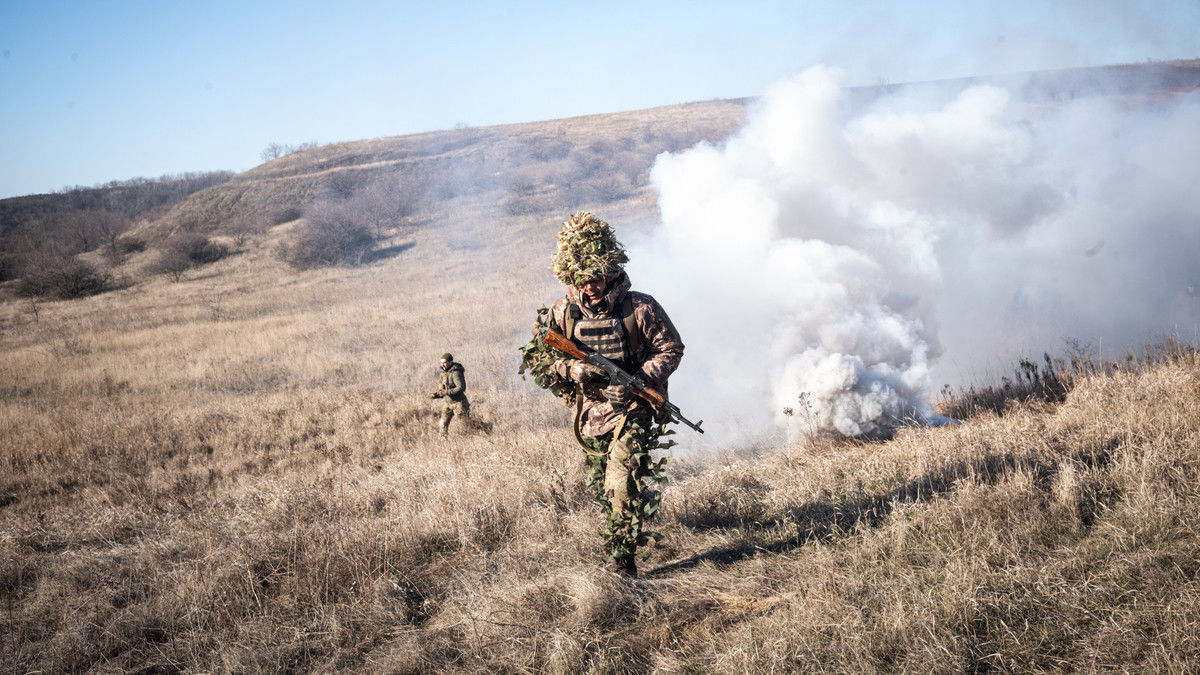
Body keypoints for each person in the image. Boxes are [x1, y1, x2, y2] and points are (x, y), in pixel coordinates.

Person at [522, 212, 684, 577]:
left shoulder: (640, 308)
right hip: (591, 414)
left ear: (609, 273)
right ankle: (620, 541)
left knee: (621, 481)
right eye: (580, 280)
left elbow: (671, 348)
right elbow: (540, 361)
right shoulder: (562, 313)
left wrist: (639, 380)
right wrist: (572, 370)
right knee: (601, 486)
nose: (589, 288)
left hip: (634, 408)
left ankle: (622, 561)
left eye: (595, 279)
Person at [431, 353, 469, 435]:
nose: (443, 365)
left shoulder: (456, 373)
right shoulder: (444, 373)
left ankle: (485, 428)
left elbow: (461, 388)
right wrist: (437, 395)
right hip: (448, 403)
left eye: (445, 362)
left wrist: (446, 392)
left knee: (467, 426)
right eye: (441, 363)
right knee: (442, 424)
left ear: (451, 362)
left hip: (459, 403)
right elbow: (443, 389)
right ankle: (443, 443)